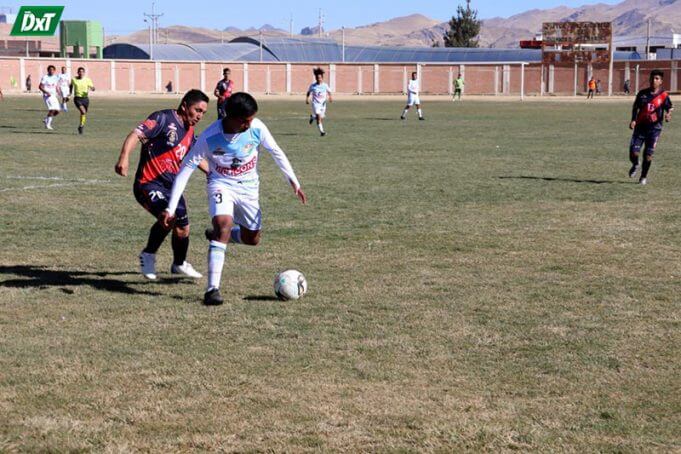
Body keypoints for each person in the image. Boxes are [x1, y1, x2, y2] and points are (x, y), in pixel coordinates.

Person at [160, 92, 307, 306]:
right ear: (234, 117)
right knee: (223, 224)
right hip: (220, 184)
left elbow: (276, 152)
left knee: (252, 239)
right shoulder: (210, 136)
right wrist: (171, 208)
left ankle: (222, 235)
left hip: (248, 189)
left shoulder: (257, 127)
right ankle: (212, 290)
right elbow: (186, 168)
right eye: (246, 120)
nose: (250, 123)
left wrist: (294, 181)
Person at [115, 89, 210, 280]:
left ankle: (179, 264)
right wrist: (124, 158)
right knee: (168, 217)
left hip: (172, 188)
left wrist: (213, 173)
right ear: (184, 105)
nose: (200, 116)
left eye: (203, 113)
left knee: (183, 227)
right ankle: (148, 254)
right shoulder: (163, 119)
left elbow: (194, 157)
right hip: (148, 184)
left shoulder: (189, 131)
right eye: (197, 110)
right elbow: (135, 134)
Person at [627, 69, 673, 185]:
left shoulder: (663, 95)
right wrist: (633, 119)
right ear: (649, 79)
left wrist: (668, 114)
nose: (654, 80)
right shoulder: (642, 94)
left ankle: (643, 177)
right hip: (640, 127)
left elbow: (669, 107)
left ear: (661, 81)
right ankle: (635, 164)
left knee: (648, 155)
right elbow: (635, 107)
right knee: (634, 152)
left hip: (654, 129)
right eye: (652, 78)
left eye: (657, 78)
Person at [306, 68, 332, 136]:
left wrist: (330, 97)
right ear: (315, 78)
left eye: (320, 78)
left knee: (321, 117)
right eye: (317, 78)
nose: (318, 79)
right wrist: (307, 99)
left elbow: (329, 91)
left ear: (322, 78)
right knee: (319, 117)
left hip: (323, 104)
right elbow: (308, 92)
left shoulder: (325, 85)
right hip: (315, 104)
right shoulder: (313, 86)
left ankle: (312, 117)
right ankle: (322, 132)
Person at [70, 67, 95, 134]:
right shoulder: (74, 79)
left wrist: (92, 88)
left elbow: (92, 87)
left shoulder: (87, 80)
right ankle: (81, 126)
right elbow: (71, 85)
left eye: (82, 72)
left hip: (85, 99)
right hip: (77, 98)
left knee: (83, 114)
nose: (81, 73)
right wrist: (70, 93)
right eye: (79, 71)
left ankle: (81, 126)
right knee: (83, 111)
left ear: (84, 73)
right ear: (77, 72)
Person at [39, 65, 61, 130]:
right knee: (52, 110)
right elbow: (40, 87)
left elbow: (56, 85)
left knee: (57, 111)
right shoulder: (45, 77)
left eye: (52, 70)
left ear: (54, 71)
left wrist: (58, 90)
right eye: (50, 70)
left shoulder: (55, 77)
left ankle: (46, 119)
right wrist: (46, 92)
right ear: (48, 70)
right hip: (47, 96)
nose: (51, 71)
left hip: (54, 95)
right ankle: (48, 125)